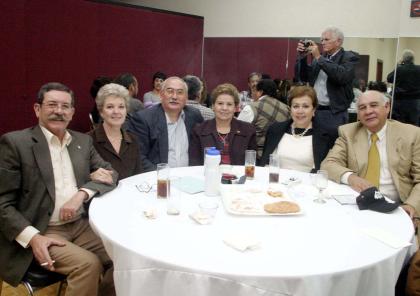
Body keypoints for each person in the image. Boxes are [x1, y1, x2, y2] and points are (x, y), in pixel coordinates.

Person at [0, 82, 117, 295]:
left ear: (72, 112)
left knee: (122, 256)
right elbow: (2, 204)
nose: (59, 111)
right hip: (42, 229)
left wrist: (82, 194)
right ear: (37, 109)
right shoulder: (16, 143)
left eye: (65, 106)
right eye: (52, 105)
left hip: (81, 225)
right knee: (88, 265)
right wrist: (34, 237)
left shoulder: (82, 141)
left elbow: (111, 174)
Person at [321, 90, 420, 219]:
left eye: (373, 105)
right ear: (358, 114)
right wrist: (351, 178)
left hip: (397, 207)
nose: (368, 111)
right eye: (362, 108)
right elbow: (328, 164)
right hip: (358, 205)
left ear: (387, 107)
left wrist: (411, 205)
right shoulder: (349, 133)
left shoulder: (412, 134)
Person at [128, 76, 204, 172]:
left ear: (186, 97)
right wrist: (163, 176)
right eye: (170, 91)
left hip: (189, 178)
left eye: (180, 92)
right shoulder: (144, 119)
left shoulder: (194, 116)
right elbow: (138, 156)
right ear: (161, 94)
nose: (174, 96)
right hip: (157, 179)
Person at [295, 27, 359, 132]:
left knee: (333, 145)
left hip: (334, 113)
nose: (323, 43)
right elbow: (303, 77)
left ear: (338, 41)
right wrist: (302, 57)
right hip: (315, 111)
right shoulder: (319, 59)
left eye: (326, 39)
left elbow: (341, 76)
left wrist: (319, 58)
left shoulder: (349, 57)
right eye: (321, 40)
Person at [260, 85, 337, 172]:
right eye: (296, 106)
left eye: (305, 106)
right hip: (277, 182)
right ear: (290, 109)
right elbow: (265, 163)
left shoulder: (328, 135)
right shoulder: (275, 130)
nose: (300, 111)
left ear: (314, 110)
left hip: (308, 184)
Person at [189, 83, 257, 165]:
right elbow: (194, 163)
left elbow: (251, 163)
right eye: (220, 103)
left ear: (235, 108)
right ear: (213, 106)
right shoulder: (199, 130)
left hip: (239, 176)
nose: (224, 108)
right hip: (208, 176)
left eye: (229, 104)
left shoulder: (248, 130)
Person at [88, 83, 143, 181]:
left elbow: (139, 176)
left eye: (121, 107)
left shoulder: (133, 139)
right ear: (101, 112)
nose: (116, 111)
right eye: (110, 107)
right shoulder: (88, 140)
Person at [238, 79, 290, 159]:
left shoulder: (252, 107)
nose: (253, 94)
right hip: (278, 156)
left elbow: (239, 130)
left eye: (254, 91)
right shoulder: (287, 108)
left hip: (256, 156)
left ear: (260, 92)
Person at [387, 49, 420, 126]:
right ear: (413, 59)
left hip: (399, 101)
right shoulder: (419, 69)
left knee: (398, 125)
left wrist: (398, 65)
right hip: (414, 101)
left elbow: (389, 78)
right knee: (413, 125)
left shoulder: (399, 69)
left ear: (403, 59)